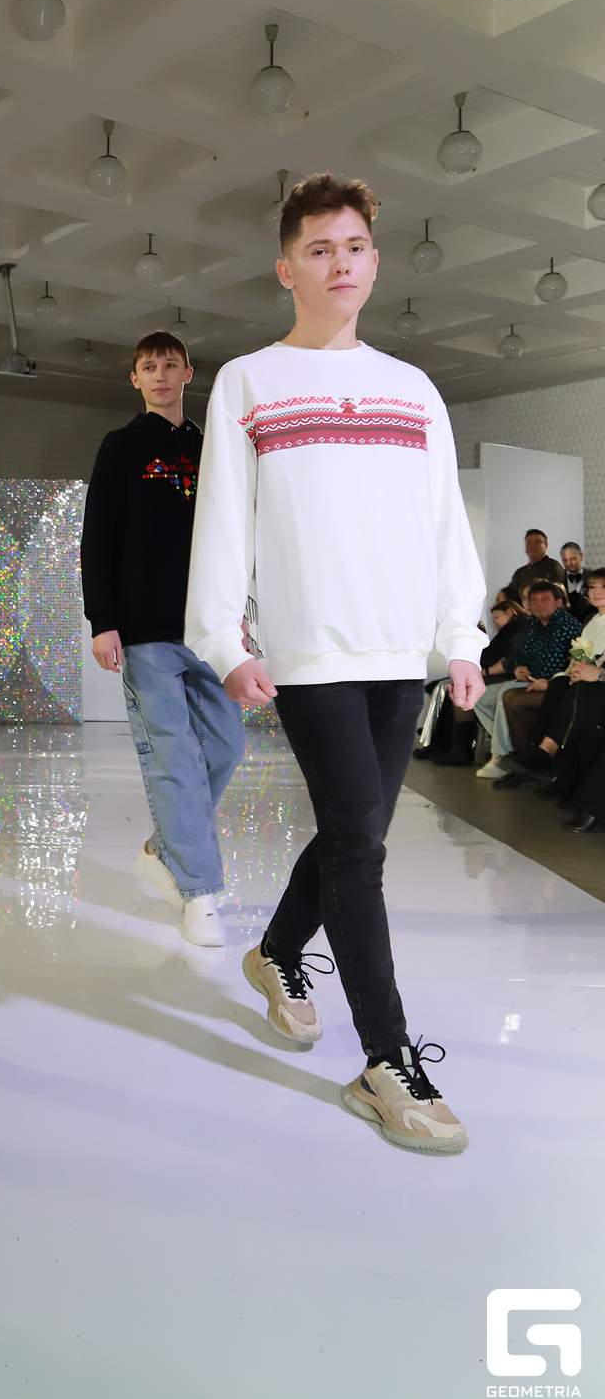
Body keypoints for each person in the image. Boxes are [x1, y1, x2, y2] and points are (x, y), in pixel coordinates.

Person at [186, 172, 486, 1155]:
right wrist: (223, 642)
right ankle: (386, 1063)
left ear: (375, 262)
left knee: (356, 829)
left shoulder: (414, 390)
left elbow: (445, 523)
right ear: (288, 269)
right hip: (308, 653)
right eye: (319, 249)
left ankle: (277, 951)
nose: (340, 263)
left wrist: (461, 636)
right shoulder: (249, 382)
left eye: (354, 246)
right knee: (360, 848)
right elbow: (223, 522)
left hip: (400, 654)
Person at [81, 331, 245, 948]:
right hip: (145, 630)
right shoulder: (120, 446)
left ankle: (162, 848)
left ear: (188, 373)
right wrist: (102, 620)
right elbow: (98, 535)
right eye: (148, 366)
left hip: (210, 628)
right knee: (173, 756)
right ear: (135, 378)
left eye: (169, 365)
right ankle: (200, 893)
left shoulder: (213, 447)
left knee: (227, 746)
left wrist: (241, 615)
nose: (159, 375)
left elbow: (235, 534)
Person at [498, 569, 605, 792]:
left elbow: (595, 666)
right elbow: (576, 663)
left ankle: (542, 756)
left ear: (559, 601)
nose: (597, 592)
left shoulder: (569, 624)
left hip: (596, 689)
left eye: (603, 587)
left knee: (540, 693)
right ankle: (536, 758)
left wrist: (590, 674)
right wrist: (567, 675)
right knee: (556, 684)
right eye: (593, 587)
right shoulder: (592, 622)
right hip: (580, 684)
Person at [433, 597, 528, 766]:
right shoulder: (512, 630)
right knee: (456, 689)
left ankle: (459, 748)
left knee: (463, 689)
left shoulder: (515, 628)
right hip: (500, 672)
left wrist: (485, 672)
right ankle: (450, 746)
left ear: (510, 612)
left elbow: (508, 659)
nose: (495, 621)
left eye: (497, 617)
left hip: (505, 674)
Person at [508, 530, 567, 597]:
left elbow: (554, 593)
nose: (533, 546)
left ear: (546, 545)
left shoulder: (553, 567)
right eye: (529, 543)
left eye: (538, 542)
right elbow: (510, 596)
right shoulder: (520, 573)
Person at [560, 542, 592, 622]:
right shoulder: (558, 578)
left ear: (581, 556)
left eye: (573, 559)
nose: (569, 563)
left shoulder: (592, 576)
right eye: (565, 560)